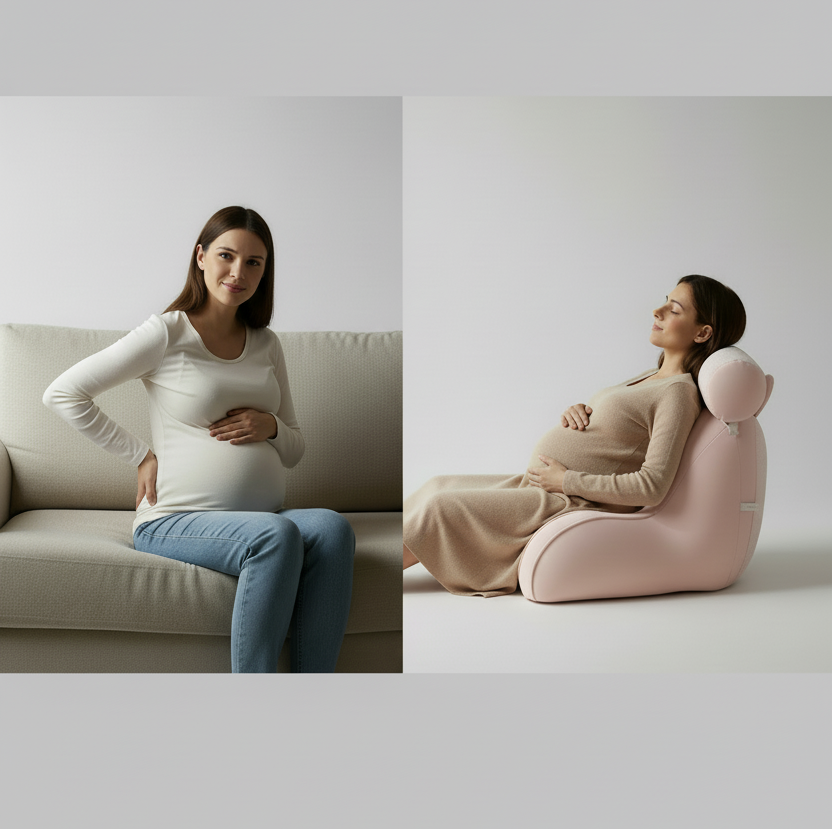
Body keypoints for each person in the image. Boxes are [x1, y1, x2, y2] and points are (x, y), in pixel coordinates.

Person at [42, 205, 355, 672]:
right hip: (174, 519)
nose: (238, 272)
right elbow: (63, 393)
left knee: (333, 528)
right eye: (227, 256)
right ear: (201, 257)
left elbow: (295, 450)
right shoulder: (167, 333)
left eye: (254, 262)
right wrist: (140, 455)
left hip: (257, 515)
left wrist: (270, 426)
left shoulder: (267, 343)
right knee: (276, 535)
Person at [403, 274, 747, 598]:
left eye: (674, 310)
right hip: (541, 484)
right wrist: (581, 410)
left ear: (702, 333)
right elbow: (622, 431)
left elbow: (652, 486)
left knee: (439, 509)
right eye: (665, 302)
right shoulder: (653, 377)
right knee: (438, 485)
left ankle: (366, 574)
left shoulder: (677, 394)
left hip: (566, 500)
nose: (657, 311)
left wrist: (567, 480)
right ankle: (367, 554)